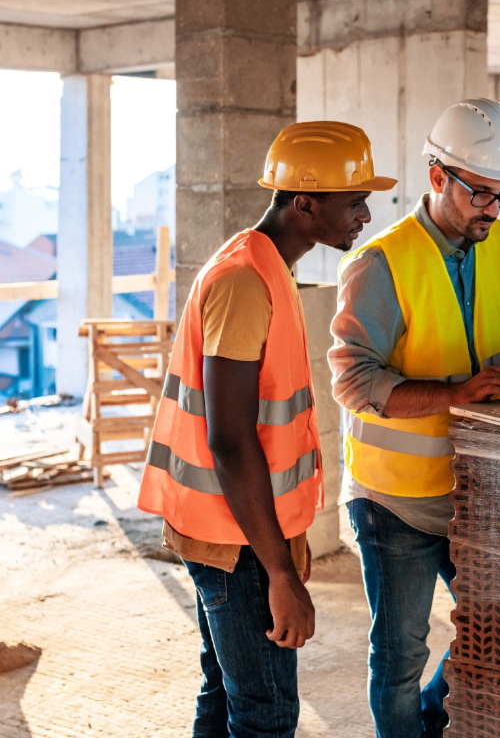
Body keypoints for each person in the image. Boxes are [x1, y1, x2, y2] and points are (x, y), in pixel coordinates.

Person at [137, 122, 395, 738]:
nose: (364, 214)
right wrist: (279, 573)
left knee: (229, 695)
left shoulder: (266, 265)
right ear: (305, 201)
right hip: (237, 541)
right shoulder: (244, 282)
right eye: (353, 200)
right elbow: (229, 439)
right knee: (267, 713)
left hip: (236, 527)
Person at [329, 98, 500, 738]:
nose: (491, 207)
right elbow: (352, 379)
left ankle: (428, 724)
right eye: (479, 192)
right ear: (437, 178)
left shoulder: (499, 241)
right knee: (400, 656)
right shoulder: (380, 265)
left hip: (478, 490)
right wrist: (456, 393)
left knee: (498, 625)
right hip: (395, 499)